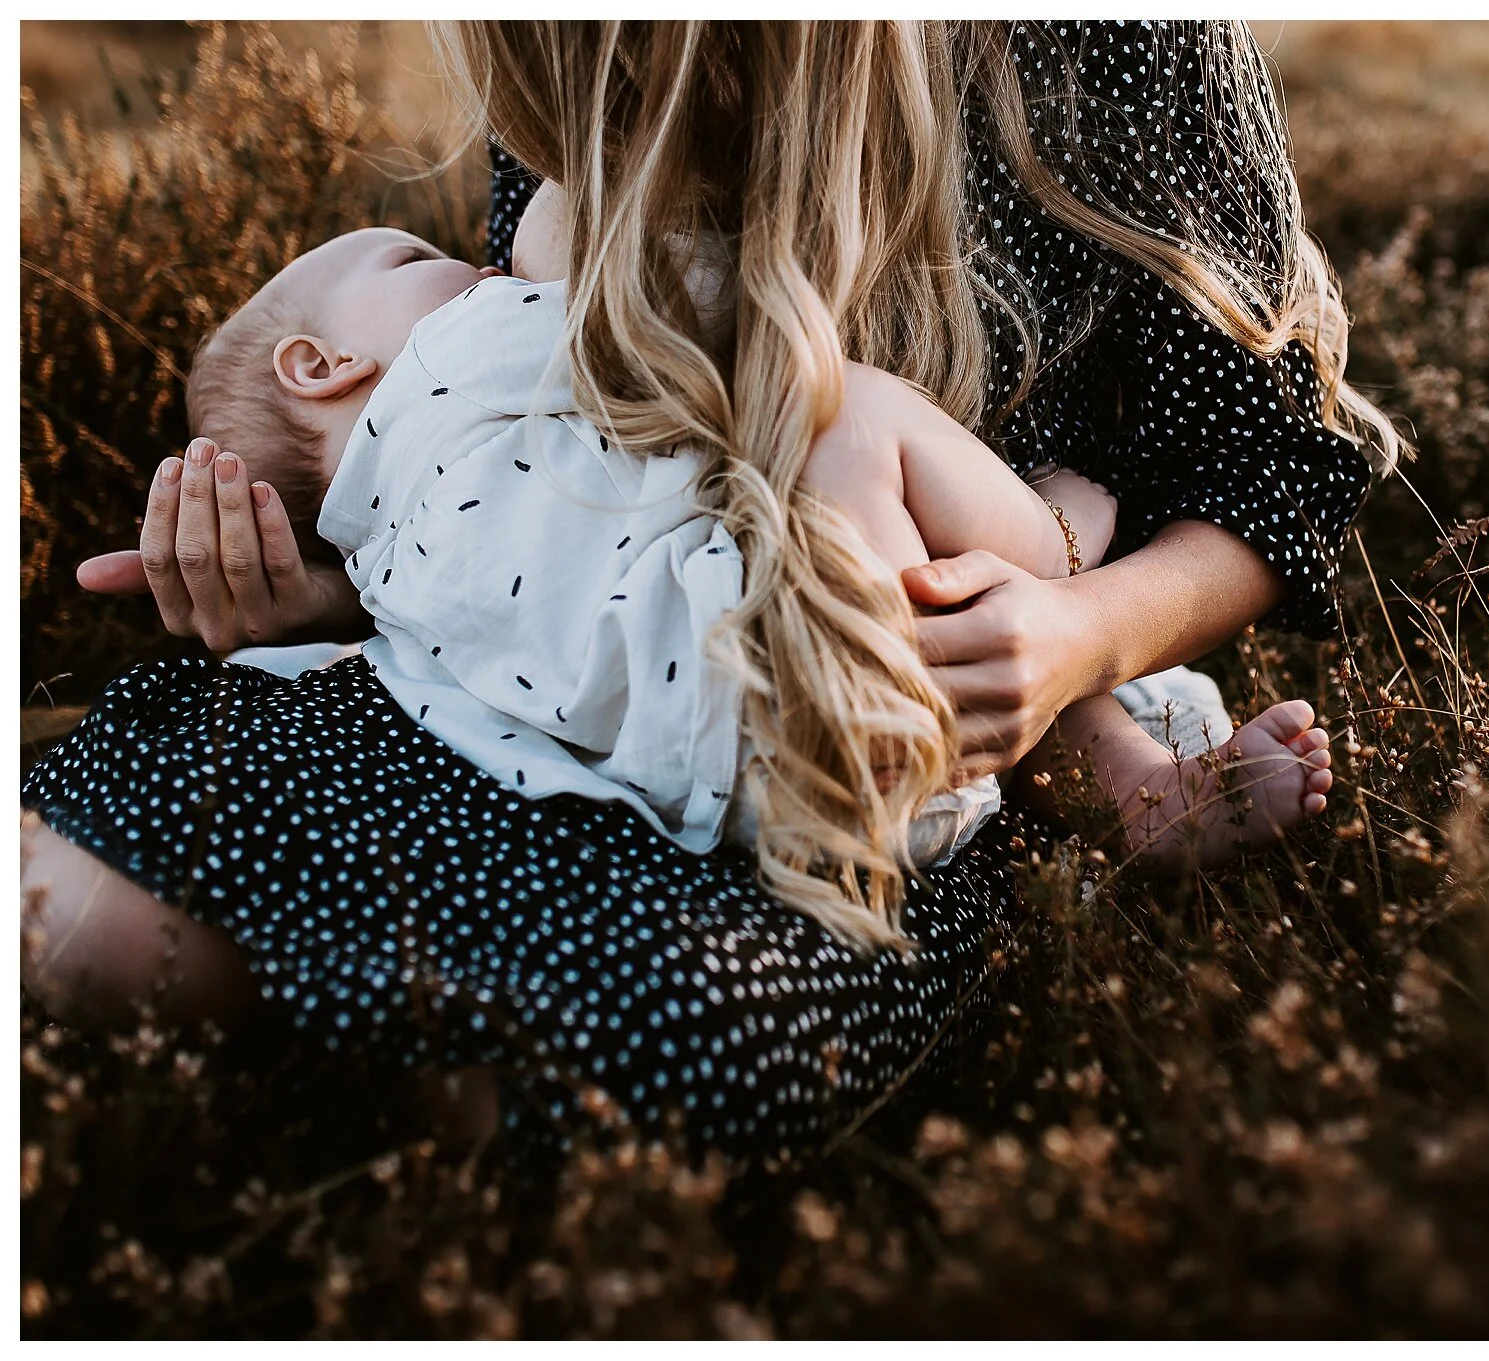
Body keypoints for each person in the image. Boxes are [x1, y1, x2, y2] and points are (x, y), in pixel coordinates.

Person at [30, 21, 1400, 1152]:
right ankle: (425, 1047)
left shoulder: (1110, 44)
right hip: (540, 721)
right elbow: (553, 497)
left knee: (676, 1043)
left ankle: (431, 1043)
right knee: (57, 903)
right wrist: (329, 598)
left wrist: (1077, 626)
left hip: (872, 714)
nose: (456, 262)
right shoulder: (585, 85)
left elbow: (1269, 467)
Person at [175, 218, 1334, 946]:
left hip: (739, 817)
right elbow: (697, 277)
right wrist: (544, 250)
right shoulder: (462, 344)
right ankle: (1056, 538)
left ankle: (1115, 781)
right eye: (413, 258)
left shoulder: (391, 572)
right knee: (843, 411)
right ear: (320, 364)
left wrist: (306, 604)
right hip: (868, 677)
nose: (460, 261)